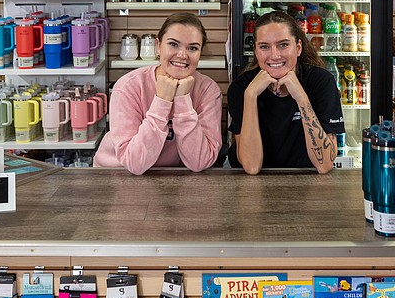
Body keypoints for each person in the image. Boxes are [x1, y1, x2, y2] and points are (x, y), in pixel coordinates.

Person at [93, 13, 222, 175]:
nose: (182, 55)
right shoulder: (128, 87)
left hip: (172, 177)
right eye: (173, 44)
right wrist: (162, 101)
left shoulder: (208, 91)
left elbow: (200, 162)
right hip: (115, 174)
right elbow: (135, 163)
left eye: (193, 48)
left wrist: (182, 100)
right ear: (158, 46)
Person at [227, 10, 344, 174]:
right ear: (255, 51)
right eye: (264, 47)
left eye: (283, 45)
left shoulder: (321, 81)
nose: (274, 55)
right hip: (253, 187)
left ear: (298, 48)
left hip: (306, 183)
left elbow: (324, 164)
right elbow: (251, 167)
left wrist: (301, 98)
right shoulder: (242, 87)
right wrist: (250, 96)